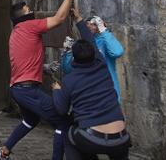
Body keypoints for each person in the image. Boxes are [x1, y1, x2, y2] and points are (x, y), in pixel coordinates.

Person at [0, 0, 79, 160]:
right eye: (28, 9)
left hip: (17, 88)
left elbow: (23, 59)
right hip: (27, 90)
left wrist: (43, 67)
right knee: (63, 122)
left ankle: (3, 151)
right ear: (21, 16)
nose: (31, 10)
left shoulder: (16, 32)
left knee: (31, 120)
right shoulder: (30, 26)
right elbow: (59, 18)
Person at [52, 24, 131, 160]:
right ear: (95, 54)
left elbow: (61, 109)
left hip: (92, 138)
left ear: (74, 58)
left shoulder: (70, 80)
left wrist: (57, 91)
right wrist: (79, 20)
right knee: (119, 150)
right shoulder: (103, 68)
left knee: (69, 134)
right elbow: (92, 42)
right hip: (122, 138)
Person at [82, 15, 124, 102]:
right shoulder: (86, 43)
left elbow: (117, 52)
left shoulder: (106, 40)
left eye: (93, 24)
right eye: (87, 24)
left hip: (108, 92)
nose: (89, 26)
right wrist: (66, 55)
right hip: (91, 92)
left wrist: (103, 30)